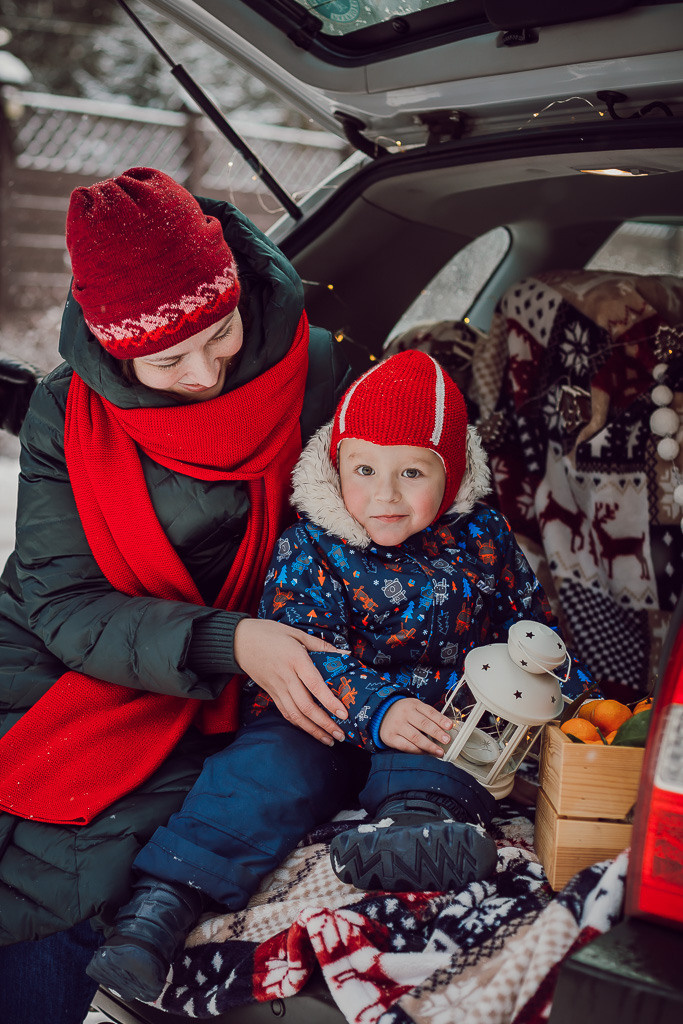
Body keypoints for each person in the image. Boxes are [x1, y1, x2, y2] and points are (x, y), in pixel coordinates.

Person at [86, 350, 594, 1005]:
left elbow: (530, 630)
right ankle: (159, 911)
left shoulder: (484, 537)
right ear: (336, 468)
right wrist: (378, 709)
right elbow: (307, 651)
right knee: (257, 777)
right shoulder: (312, 543)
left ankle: (415, 834)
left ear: (454, 471)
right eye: (363, 469)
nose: (383, 495)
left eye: (411, 471)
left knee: (455, 750)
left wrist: (577, 702)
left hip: (433, 715)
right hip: (316, 717)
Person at [0, 166, 356, 1024]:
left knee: (98, 866)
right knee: (53, 852)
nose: (203, 372)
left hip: (252, 671)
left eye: (221, 332)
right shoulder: (66, 412)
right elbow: (58, 598)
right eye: (166, 358)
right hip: (65, 657)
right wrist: (230, 643)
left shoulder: (316, 367)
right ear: (118, 347)